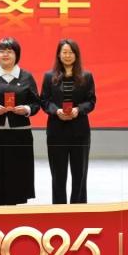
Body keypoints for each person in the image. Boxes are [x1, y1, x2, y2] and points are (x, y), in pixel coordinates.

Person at [0, 36, 40, 206]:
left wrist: (26, 109)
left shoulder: (26, 77)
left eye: (10, 51)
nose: (5, 54)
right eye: (2, 51)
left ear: (17, 55)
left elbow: (36, 103)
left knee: (18, 169)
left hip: (20, 132)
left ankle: (14, 207)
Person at [41, 38, 97, 204]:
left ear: (76, 55)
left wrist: (78, 110)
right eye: (64, 52)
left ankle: (78, 209)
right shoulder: (49, 77)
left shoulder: (86, 76)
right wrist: (56, 111)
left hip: (79, 131)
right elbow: (44, 101)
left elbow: (91, 101)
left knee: (80, 174)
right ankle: (59, 209)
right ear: (58, 55)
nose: (67, 55)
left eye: (71, 52)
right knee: (58, 174)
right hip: (56, 131)